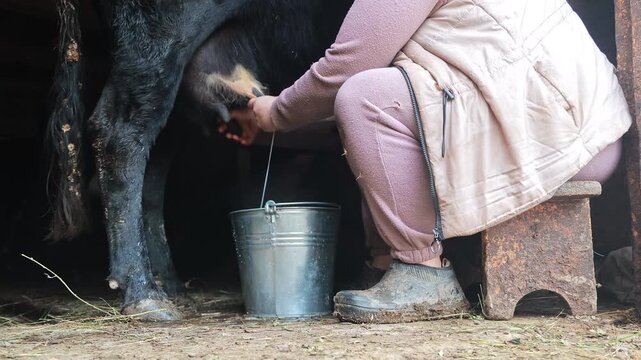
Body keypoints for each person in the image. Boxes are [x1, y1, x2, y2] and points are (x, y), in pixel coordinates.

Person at [231, 0, 632, 323]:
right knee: (382, 100)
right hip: (584, 133)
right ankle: (387, 260)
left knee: (364, 97)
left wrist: (275, 113)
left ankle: (422, 270)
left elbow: (346, 68)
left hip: (557, 138)